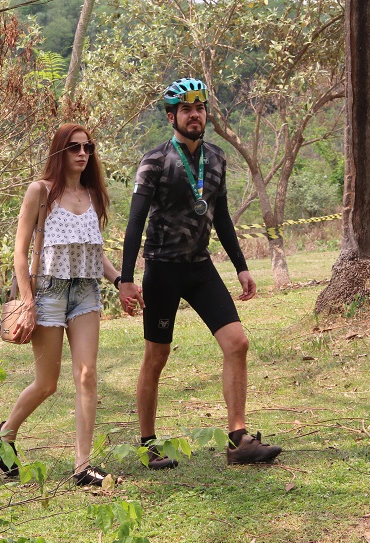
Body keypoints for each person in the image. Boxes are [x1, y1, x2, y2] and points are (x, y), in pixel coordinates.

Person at [118, 78, 282, 468]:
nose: (195, 115)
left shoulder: (216, 158)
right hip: (162, 268)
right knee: (157, 356)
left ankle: (239, 440)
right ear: (171, 116)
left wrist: (241, 266)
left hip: (200, 267)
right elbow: (135, 222)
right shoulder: (155, 160)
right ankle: (148, 445)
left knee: (237, 343)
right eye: (186, 109)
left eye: (200, 108)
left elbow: (221, 217)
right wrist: (126, 279)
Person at [0, 123, 121, 487]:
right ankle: (5, 435)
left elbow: (94, 253)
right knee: (47, 384)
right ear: (59, 152)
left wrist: (120, 280)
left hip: (85, 293)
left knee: (87, 375)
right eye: (74, 148)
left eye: (88, 148)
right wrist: (28, 301)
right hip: (47, 293)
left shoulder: (94, 195)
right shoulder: (41, 191)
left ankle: (82, 467)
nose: (82, 154)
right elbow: (19, 253)